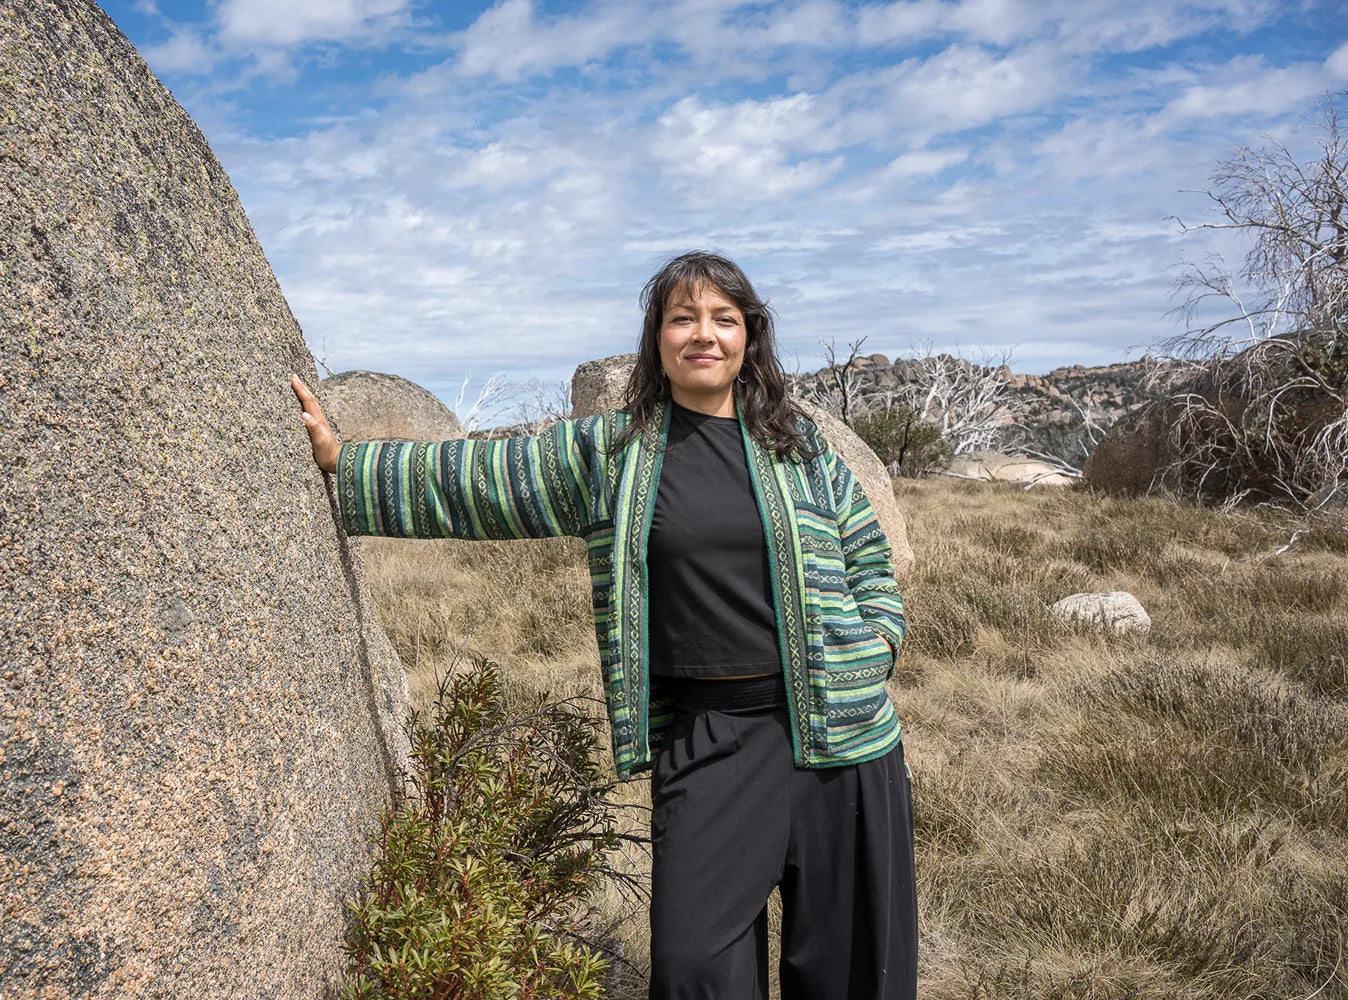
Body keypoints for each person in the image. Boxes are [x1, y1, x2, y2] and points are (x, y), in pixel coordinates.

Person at [291, 250, 916, 1000]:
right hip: (712, 737)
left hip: (845, 740)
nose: (703, 335)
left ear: (750, 336)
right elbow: (486, 481)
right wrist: (346, 462)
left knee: (852, 973)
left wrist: (877, 645)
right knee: (693, 971)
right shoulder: (613, 451)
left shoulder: (802, 446)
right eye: (683, 318)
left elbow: (869, 558)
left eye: (723, 319)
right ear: (658, 338)